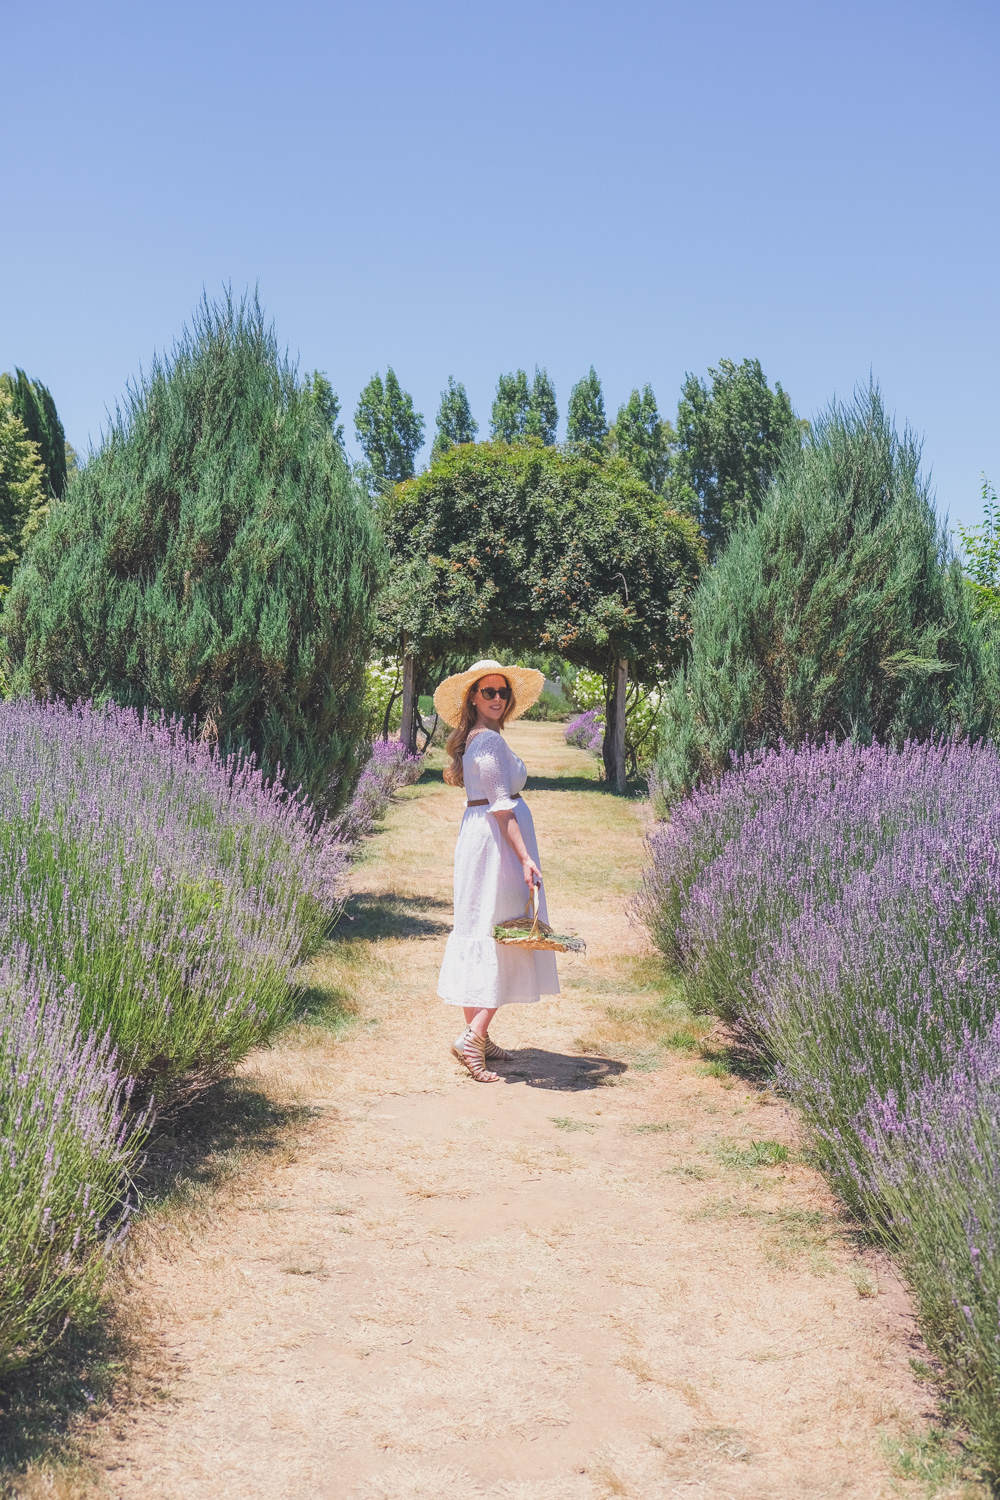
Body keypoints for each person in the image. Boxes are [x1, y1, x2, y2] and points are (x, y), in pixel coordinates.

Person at [434, 659, 560, 1082]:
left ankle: (478, 1036)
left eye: (502, 692)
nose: (497, 698)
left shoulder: (480, 739)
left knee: (482, 928)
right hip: (495, 846)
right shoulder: (486, 742)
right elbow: (501, 805)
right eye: (488, 691)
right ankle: (473, 1037)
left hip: (481, 839)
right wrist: (525, 858)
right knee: (503, 933)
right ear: (473, 696)